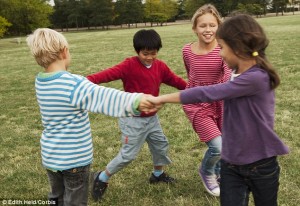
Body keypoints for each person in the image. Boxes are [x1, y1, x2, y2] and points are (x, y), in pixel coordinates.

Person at [148, 14, 289, 206]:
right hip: (231, 163)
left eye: (222, 47)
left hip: (261, 165)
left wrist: (162, 98)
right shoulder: (238, 73)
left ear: (238, 48)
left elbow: (209, 92)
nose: (220, 53)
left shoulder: (256, 78)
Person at [26, 28, 156, 206]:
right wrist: (136, 100)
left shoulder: (40, 81)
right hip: (74, 160)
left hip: (51, 157)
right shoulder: (73, 84)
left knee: (57, 197)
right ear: (64, 51)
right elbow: (105, 97)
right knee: (76, 200)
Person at [86, 29, 187, 201]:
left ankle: (157, 175)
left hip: (152, 119)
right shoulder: (129, 65)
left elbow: (175, 81)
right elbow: (106, 75)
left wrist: (193, 91)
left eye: (153, 53)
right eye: (145, 54)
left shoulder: (160, 66)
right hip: (132, 120)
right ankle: (101, 177)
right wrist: (83, 82)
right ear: (137, 51)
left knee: (161, 146)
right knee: (128, 156)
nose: (149, 57)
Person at [181, 4, 230, 196]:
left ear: (219, 26)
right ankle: (207, 172)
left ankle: (218, 173)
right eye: (203, 26)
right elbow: (191, 76)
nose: (208, 30)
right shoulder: (186, 50)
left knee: (225, 144)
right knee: (218, 146)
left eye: (212, 25)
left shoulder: (224, 48)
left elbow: (227, 74)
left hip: (220, 102)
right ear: (194, 28)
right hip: (196, 104)